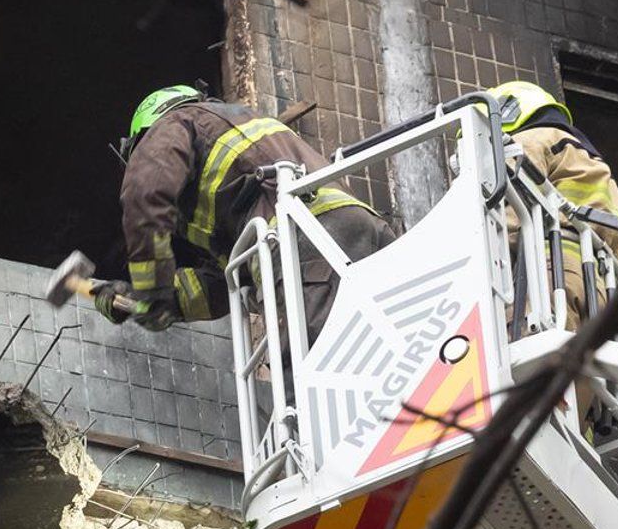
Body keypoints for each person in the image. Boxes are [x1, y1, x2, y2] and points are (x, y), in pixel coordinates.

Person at [93, 86, 394, 342]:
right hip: (364, 230)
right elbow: (225, 281)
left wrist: (151, 287)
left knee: (313, 363)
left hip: (302, 243)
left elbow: (145, 194)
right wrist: (145, 300)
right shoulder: (241, 139)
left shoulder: (174, 125)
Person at [490, 79, 618, 327]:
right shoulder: (608, 184)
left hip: (549, 273)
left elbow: (506, 208)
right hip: (598, 292)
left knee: (529, 341)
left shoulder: (528, 141)